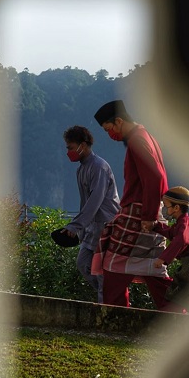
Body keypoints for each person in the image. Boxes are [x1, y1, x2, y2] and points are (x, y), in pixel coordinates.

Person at [90, 99, 179, 311]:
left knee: (113, 265)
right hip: (147, 210)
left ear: (118, 121)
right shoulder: (145, 136)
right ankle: (176, 314)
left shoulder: (137, 140)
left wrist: (147, 216)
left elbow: (155, 177)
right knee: (153, 266)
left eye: (108, 129)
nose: (110, 134)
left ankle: (116, 316)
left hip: (139, 212)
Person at [61, 125, 121, 303]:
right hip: (92, 227)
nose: (69, 152)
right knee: (83, 264)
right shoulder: (81, 169)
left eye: (71, 147)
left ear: (83, 145)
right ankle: (109, 295)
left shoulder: (99, 167)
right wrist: (80, 229)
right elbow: (85, 204)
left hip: (107, 225)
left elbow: (95, 201)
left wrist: (75, 225)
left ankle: (107, 308)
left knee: (102, 271)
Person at [153, 186, 189, 314]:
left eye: (167, 206)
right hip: (187, 265)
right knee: (173, 297)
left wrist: (162, 258)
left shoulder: (185, 223)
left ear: (176, 208)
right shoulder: (181, 223)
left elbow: (179, 240)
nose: (165, 209)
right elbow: (170, 233)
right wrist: (155, 226)